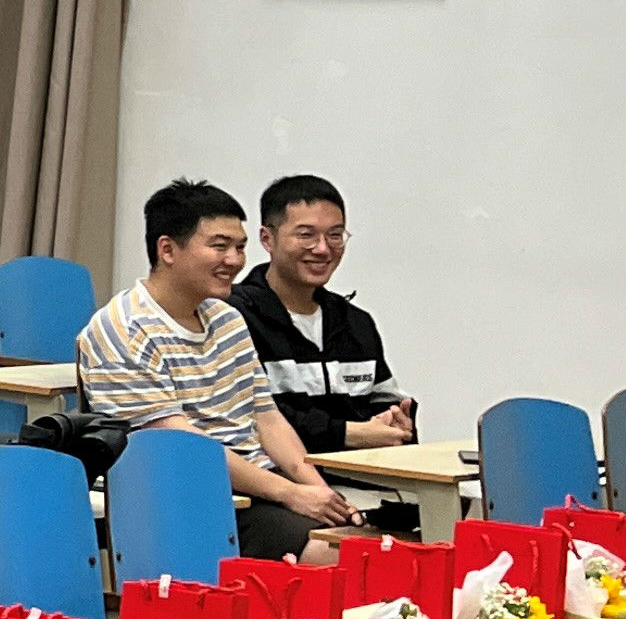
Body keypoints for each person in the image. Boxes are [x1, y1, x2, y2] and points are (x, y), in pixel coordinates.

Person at [78, 177, 358, 562]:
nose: (235, 260)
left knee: (371, 542)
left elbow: (267, 419)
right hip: (188, 500)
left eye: (240, 247)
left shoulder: (227, 319)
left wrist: (322, 494)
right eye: (220, 246)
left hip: (258, 487)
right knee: (341, 557)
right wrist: (290, 493)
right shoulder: (122, 329)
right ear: (167, 249)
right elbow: (184, 447)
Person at [232, 174, 412, 456]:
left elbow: (386, 402)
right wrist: (347, 434)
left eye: (335, 235)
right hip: (277, 477)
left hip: (364, 474)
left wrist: (396, 423)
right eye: (306, 235)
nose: (323, 249)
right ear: (267, 239)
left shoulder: (356, 322)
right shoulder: (234, 316)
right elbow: (250, 419)